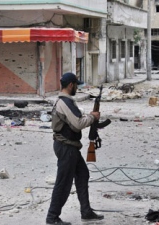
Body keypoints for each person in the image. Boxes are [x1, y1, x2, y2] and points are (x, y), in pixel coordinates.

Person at [46, 72, 104, 225]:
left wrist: (90, 116)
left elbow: (74, 120)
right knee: (63, 183)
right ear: (71, 85)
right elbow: (78, 124)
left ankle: (86, 211)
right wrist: (93, 117)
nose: (77, 88)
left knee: (82, 174)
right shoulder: (64, 102)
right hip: (66, 147)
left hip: (70, 147)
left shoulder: (66, 101)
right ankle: (52, 217)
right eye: (76, 85)